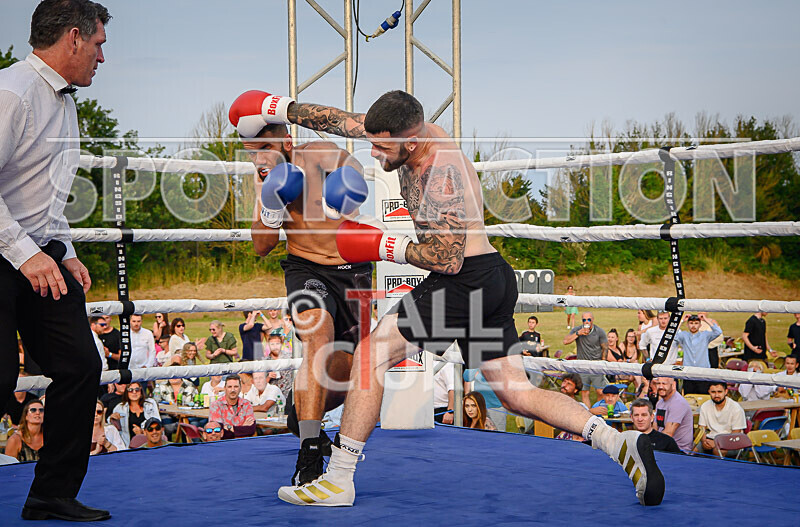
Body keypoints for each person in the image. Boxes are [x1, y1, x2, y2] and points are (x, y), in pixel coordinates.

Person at [235, 89, 663, 506]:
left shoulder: (440, 175)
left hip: (463, 280)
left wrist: (382, 244)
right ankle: (617, 441)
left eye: (382, 148)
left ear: (410, 142)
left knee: (370, 355)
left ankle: (338, 479)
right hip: (492, 277)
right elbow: (343, 122)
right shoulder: (409, 132)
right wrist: (282, 107)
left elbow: (448, 259)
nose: (374, 155)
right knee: (517, 393)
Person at [0, 0, 111, 520]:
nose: (101, 58)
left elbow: (44, 194)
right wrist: (27, 255)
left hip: (37, 253)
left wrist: (64, 250)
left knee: (81, 366)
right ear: (73, 37)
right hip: (6, 252)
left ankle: (52, 493)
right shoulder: (12, 92)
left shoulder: (65, 103)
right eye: (98, 45)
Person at [228, 112, 373, 487]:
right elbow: (262, 246)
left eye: (265, 148)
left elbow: (356, 173)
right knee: (317, 336)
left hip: (352, 271)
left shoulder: (319, 153)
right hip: (305, 269)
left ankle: (302, 412)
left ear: (287, 143)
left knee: (348, 371)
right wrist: (271, 205)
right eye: (252, 152)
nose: (259, 159)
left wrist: (337, 196)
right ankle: (309, 449)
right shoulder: (263, 179)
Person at [563, 312, 608, 408]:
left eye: (588, 319)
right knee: (585, 392)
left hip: (596, 365)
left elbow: (605, 347)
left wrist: (603, 361)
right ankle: (588, 413)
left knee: (600, 391)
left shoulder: (599, 331)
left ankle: (598, 411)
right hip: (582, 365)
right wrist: (578, 333)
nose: (586, 322)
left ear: (592, 320)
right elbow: (565, 341)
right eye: (584, 320)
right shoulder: (577, 330)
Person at [675, 314, 722, 394]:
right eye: (691, 323)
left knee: (703, 395)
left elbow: (718, 332)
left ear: (700, 325)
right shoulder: (684, 335)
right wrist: (682, 320)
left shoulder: (705, 335)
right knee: (689, 396)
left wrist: (705, 319)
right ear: (687, 325)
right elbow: (673, 335)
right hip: (688, 372)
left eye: (696, 323)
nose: (693, 326)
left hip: (703, 372)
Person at [696, 382, 746, 456]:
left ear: (726, 392)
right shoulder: (705, 406)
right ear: (709, 392)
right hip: (710, 439)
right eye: (713, 392)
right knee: (692, 449)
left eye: (719, 392)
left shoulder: (736, 408)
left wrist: (717, 444)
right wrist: (704, 442)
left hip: (732, 441)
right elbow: (701, 428)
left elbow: (735, 433)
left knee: (717, 452)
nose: (716, 395)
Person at [109, 382, 160, 447]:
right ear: (126, 393)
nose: (134, 392)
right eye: (130, 390)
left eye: (137, 389)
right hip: (128, 445)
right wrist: (112, 418)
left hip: (150, 443)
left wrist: (142, 433)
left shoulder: (150, 404)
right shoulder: (120, 408)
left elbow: (157, 424)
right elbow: (113, 427)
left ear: (141, 392)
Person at [652, 377, 693, 452]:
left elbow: (668, 434)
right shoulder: (660, 403)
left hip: (679, 450)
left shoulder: (678, 403)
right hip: (662, 446)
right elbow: (654, 428)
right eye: (658, 383)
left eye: (664, 384)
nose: (660, 387)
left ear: (673, 385)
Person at [464, 367, 506, 432]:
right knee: (478, 431)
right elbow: (466, 376)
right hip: (479, 405)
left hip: (497, 406)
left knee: (498, 433)